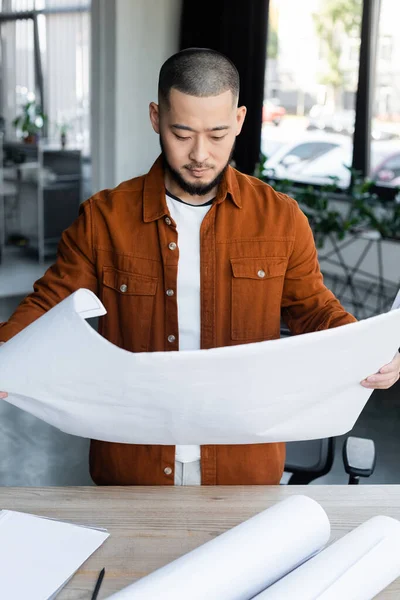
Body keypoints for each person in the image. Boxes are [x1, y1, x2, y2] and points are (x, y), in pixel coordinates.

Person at [0, 48, 399, 486]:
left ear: (241, 121)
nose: (200, 154)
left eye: (217, 133)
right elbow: (48, 304)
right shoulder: (103, 218)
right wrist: (6, 355)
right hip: (133, 461)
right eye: (182, 132)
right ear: (156, 117)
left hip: (243, 463)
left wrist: (370, 354)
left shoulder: (282, 219)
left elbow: (314, 310)